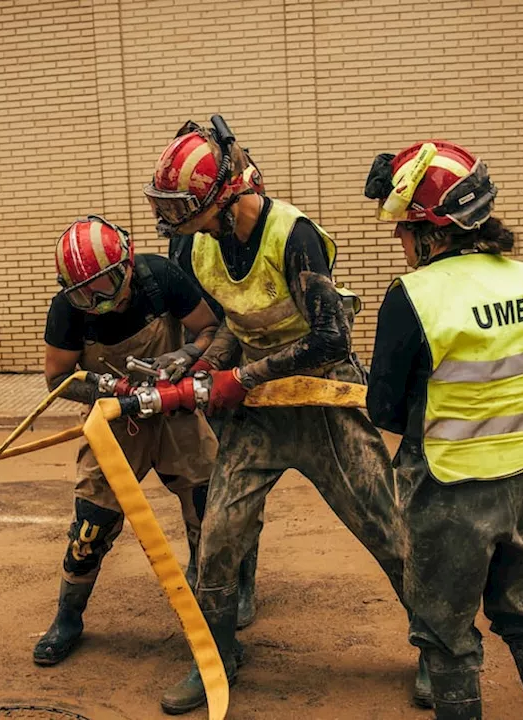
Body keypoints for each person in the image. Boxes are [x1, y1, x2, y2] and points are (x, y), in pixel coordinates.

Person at [144, 116, 411, 715]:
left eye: (182, 208)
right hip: (257, 411)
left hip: (323, 400)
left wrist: (237, 378)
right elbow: (231, 330)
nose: (173, 222)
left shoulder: (293, 234)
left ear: (221, 195)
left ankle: (440, 649)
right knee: (216, 544)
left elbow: (331, 338)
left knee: (388, 530)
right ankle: (216, 658)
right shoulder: (195, 244)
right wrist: (192, 362)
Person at [363, 140, 523, 720]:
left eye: (402, 229)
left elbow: (383, 410)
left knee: (447, 636)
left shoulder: (413, 297)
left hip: (451, 492)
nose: (399, 242)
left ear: (432, 232)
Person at [35, 215, 256, 665]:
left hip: (176, 411)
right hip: (116, 421)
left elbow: (210, 330)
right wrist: (112, 388)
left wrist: (188, 355)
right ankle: (67, 617)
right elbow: (58, 377)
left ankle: (227, 594)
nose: (97, 301)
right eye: (83, 294)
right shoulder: (68, 309)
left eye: (105, 286)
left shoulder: (160, 279)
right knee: (90, 526)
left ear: (128, 265)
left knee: (211, 511)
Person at [165, 159, 263, 631]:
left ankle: (244, 579)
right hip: (210, 364)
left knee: (242, 481)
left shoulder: (253, 226)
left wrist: (241, 375)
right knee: (204, 480)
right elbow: (186, 305)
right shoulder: (185, 236)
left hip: (253, 367)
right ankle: (203, 559)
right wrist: (187, 358)